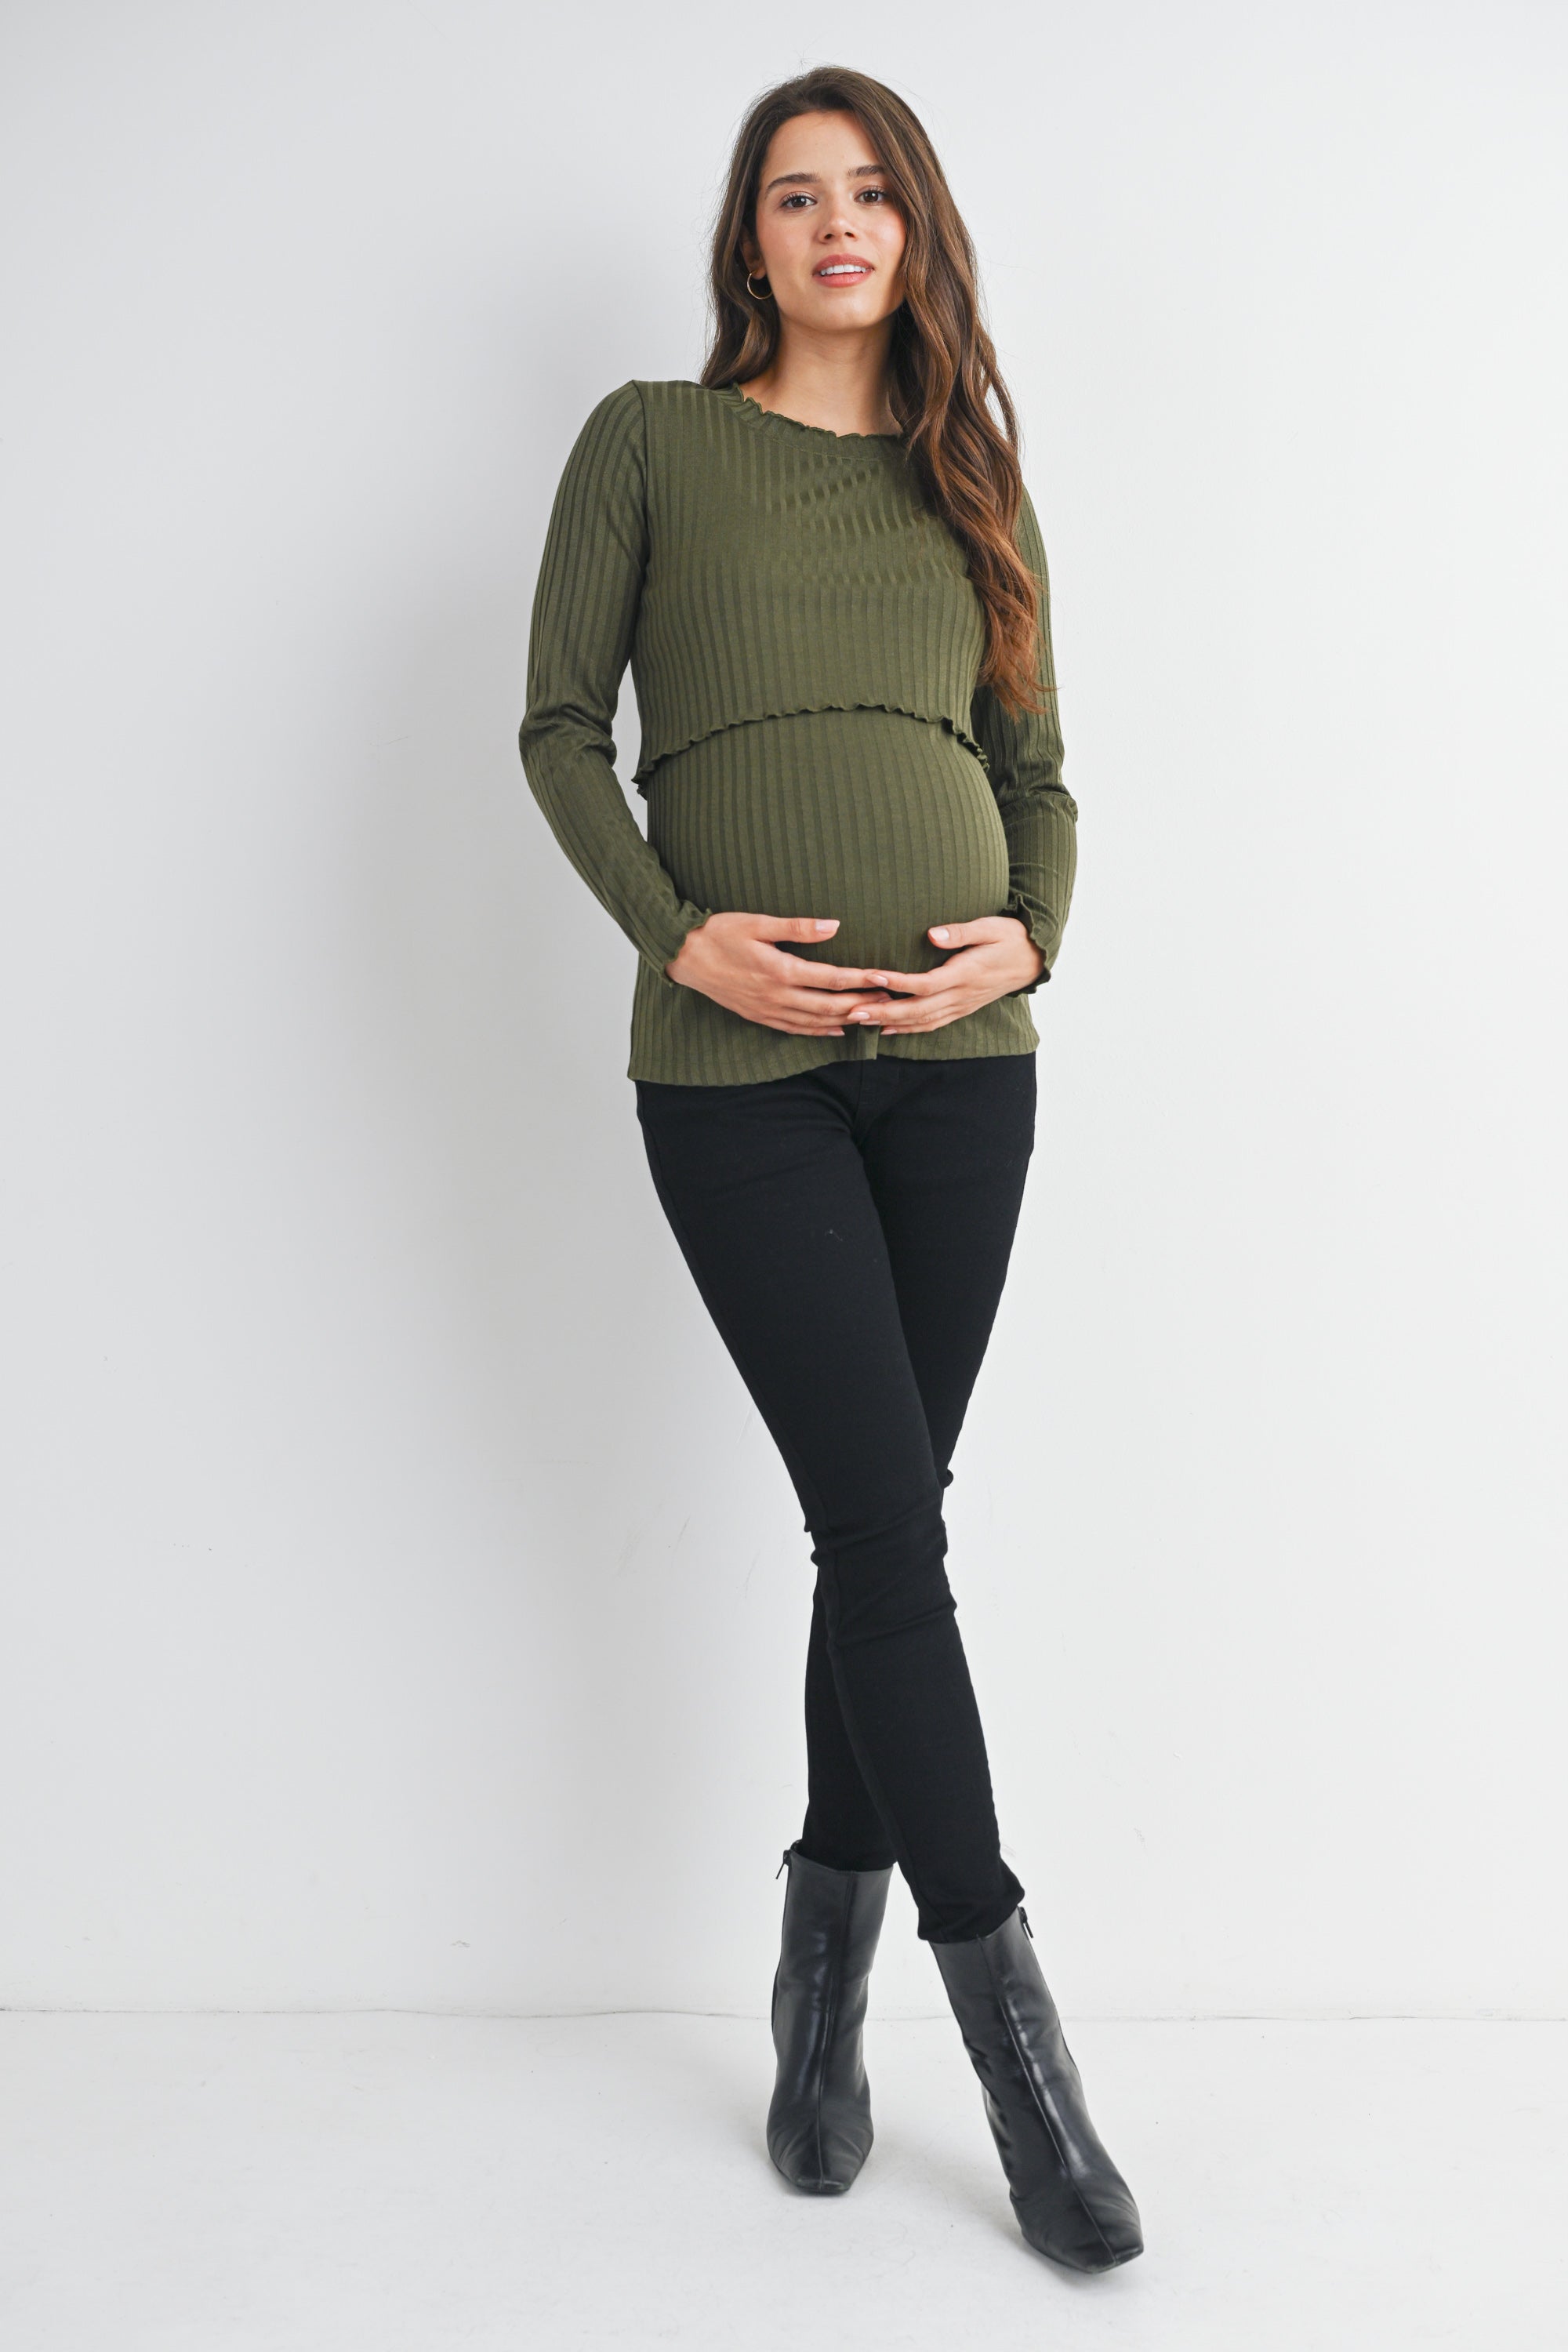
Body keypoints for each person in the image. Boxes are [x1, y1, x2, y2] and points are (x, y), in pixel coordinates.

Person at [518, 65, 1142, 2274]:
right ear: (751, 242)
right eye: (795, 195)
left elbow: (1039, 772)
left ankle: (817, 1984)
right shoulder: (650, 442)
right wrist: (676, 932)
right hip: (738, 1079)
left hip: (966, 1074)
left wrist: (1031, 932)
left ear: (918, 227)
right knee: (887, 1536)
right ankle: (1026, 2070)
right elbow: (556, 727)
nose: (837, 222)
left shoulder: (973, 481)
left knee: (885, 1536)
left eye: (871, 190)